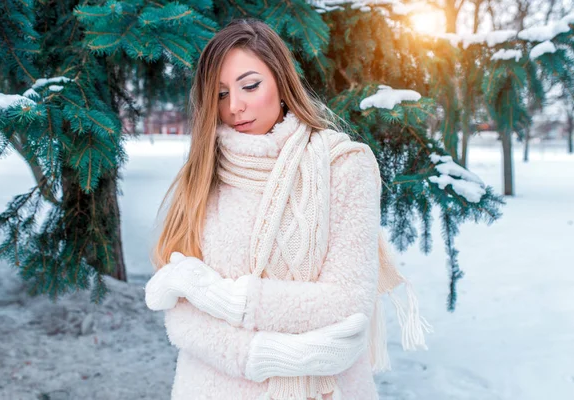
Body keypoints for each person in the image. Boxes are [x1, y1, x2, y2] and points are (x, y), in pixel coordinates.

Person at [145, 18, 429, 400]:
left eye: (250, 85)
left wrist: (224, 299)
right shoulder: (203, 175)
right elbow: (180, 317)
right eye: (221, 94)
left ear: (280, 81)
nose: (236, 107)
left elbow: (346, 303)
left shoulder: (342, 166)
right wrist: (267, 355)